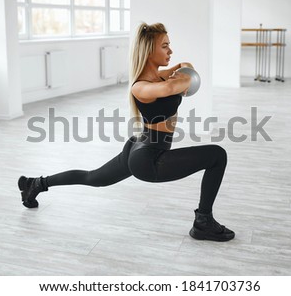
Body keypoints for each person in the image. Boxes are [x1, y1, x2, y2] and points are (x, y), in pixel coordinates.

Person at [18, 22, 235, 242]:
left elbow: (184, 66)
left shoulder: (160, 76)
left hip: (140, 145)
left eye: (169, 45)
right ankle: (203, 222)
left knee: (94, 177)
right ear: (149, 51)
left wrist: (183, 73)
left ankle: (35, 184)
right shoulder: (140, 87)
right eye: (165, 46)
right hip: (149, 158)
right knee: (217, 155)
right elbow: (171, 88)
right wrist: (184, 78)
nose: (170, 51)